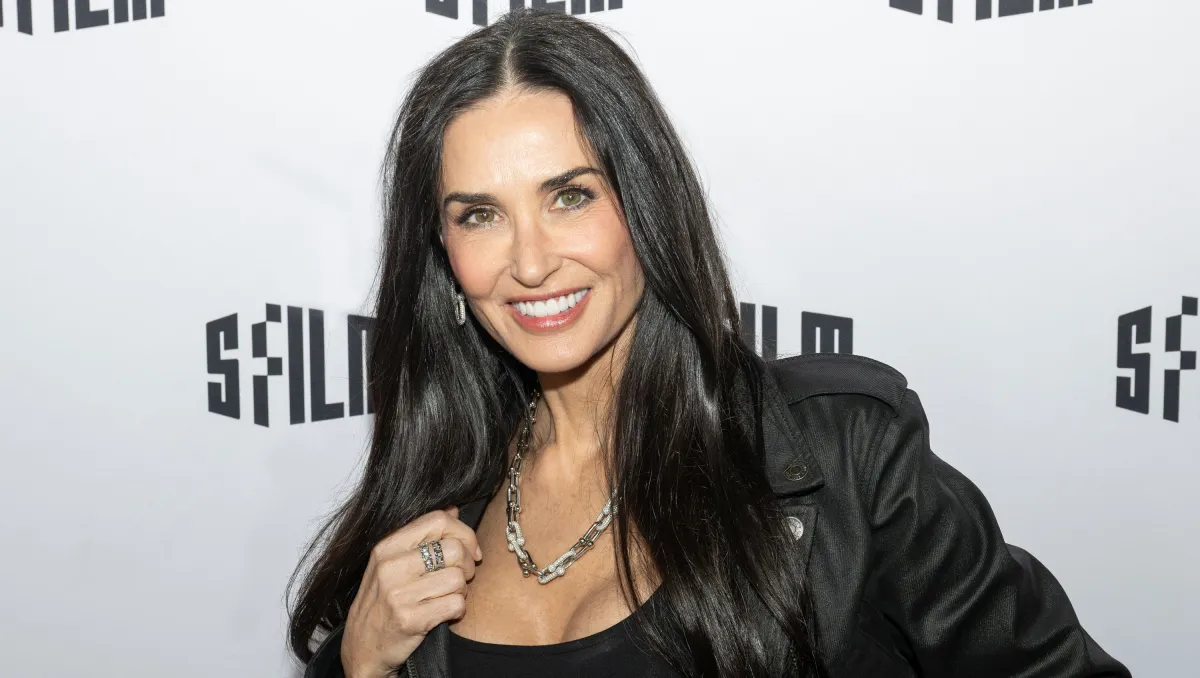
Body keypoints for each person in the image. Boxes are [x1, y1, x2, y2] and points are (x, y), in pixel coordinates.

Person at [287, 8, 1130, 678]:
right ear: (443, 254)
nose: (532, 262)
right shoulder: (432, 495)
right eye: (480, 215)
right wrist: (360, 665)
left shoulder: (838, 456)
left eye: (570, 196)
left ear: (645, 205)